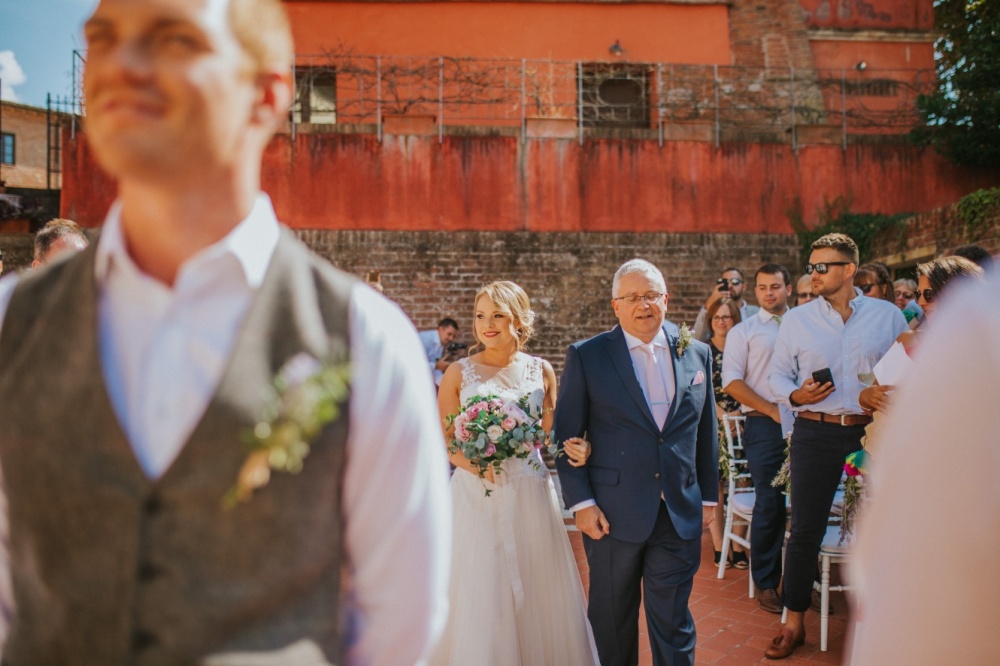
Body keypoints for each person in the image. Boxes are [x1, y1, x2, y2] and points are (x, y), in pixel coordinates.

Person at [0, 0, 452, 663]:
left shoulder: (365, 339)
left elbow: (396, 627)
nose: (120, 65)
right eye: (102, 39)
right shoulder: (13, 321)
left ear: (267, 94)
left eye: (173, 40)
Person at [555, 258, 718, 666]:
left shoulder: (696, 353)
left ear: (666, 299)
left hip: (678, 510)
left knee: (674, 621)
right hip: (611, 514)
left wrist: (710, 498)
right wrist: (582, 503)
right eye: (632, 297)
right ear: (616, 305)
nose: (643, 305)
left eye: (650, 296)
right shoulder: (588, 356)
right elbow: (565, 438)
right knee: (612, 620)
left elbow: (706, 432)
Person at [431, 280, 598, 665]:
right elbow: (448, 442)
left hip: (530, 492)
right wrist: (479, 467)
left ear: (518, 320)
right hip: (477, 495)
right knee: (480, 589)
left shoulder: (541, 371)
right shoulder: (458, 373)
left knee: (539, 588)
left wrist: (579, 447)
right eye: (480, 315)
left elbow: (551, 436)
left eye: (497, 315)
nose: (486, 324)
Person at [766, 233, 906, 659]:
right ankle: (793, 622)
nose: (813, 274)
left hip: (872, 432)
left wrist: (889, 393)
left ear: (848, 270)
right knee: (805, 529)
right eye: (811, 267)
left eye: (821, 267)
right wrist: (795, 396)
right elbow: (776, 377)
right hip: (816, 431)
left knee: (883, 525)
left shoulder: (887, 317)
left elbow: (905, 370)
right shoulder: (797, 320)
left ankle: (885, 618)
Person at [849, 273, 999, 664]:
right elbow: (867, 391)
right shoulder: (908, 342)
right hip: (888, 458)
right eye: (919, 293)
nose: (921, 301)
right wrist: (871, 394)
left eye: (928, 293)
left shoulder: (973, 340)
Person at [721, 263, 793, 614]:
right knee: (771, 500)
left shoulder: (806, 325)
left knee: (812, 500)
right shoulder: (743, 332)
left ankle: (803, 579)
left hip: (810, 420)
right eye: (763, 287)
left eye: (776, 286)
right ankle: (766, 581)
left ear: (788, 289)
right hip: (764, 423)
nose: (769, 293)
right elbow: (731, 382)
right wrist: (771, 410)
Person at [705, 297, 747, 570]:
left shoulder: (743, 348)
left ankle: (739, 546)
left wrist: (740, 415)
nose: (722, 322)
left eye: (727, 317)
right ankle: (720, 546)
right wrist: (722, 416)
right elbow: (700, 390)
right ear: (710, 321)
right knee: (716, 488)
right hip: (714, 423)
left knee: (743, 482)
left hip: (743, 422)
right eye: (717, 317)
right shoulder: (703, 351)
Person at [692, 267, 759, 342]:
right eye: (725, 282)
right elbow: (697, 338)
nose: (730, 286)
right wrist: (709, 304)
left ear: (744, 287)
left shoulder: (756, 312)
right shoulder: (715, 312)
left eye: (735, 281)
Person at [419, 317, 460, 387]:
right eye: (449, 334)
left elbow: (435, 371)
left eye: (453, 336)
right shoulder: (424, 339)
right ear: (440, 329)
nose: (451, 339)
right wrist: (436, 365)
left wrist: (450, 385)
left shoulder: (440, 343)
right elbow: (416, 366)